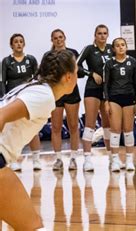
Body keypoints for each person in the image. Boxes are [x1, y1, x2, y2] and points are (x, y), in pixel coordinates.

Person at [0, 49, 78, 230]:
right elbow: (1, 115)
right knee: (32, 226)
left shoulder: (36, 88)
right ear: (67, 77)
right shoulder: (44, 95)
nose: (77, 75)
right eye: (76, 71)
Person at [1, 33, 42, 171]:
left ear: (24, 44)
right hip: (13, 99)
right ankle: (14, 160)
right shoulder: (6, 61)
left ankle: (36, 159)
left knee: (32, 128)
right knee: (12, 129)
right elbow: (2, 81)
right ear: (11, 45)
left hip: (28, 98)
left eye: (21, 41)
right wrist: (4, 98)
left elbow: (37, 78)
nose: (18, 44)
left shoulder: (31, 59)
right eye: (16, 42)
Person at [77, 24, 113, 172]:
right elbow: (76, 65)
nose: (102, 36)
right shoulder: (89, 49)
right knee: (90, 124)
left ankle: (113, 158)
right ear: (95, 35)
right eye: (99, 33)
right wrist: (91, 74)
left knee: (108, 124)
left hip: (109, 90)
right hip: (93, 88)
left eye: (105, 33)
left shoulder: (112, 48)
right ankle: (87, 159)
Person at [104, 37, 136, 172]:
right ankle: (115, 160)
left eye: (123, 45)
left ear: (126, 47)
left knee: (128, 129)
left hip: (129, 97)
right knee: (115, 129)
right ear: (113, 49)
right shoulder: (109, 64)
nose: (121, 47)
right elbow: (106, 84)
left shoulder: (132, 62)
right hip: (114, 98)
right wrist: (107, 102)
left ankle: (129, 160)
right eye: (118, 45)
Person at [47, 29, 82, 171]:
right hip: (56, 94)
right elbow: (45, 75)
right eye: (55, 38)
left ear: (65, 38)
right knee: (55, 127)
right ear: (52, 40)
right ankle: (58, 159)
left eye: (60, 37)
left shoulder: (72, 53)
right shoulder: (48, 56)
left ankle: (73, 158)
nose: (58, 40)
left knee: (73, 125)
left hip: (72, 92)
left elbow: (79, 73)